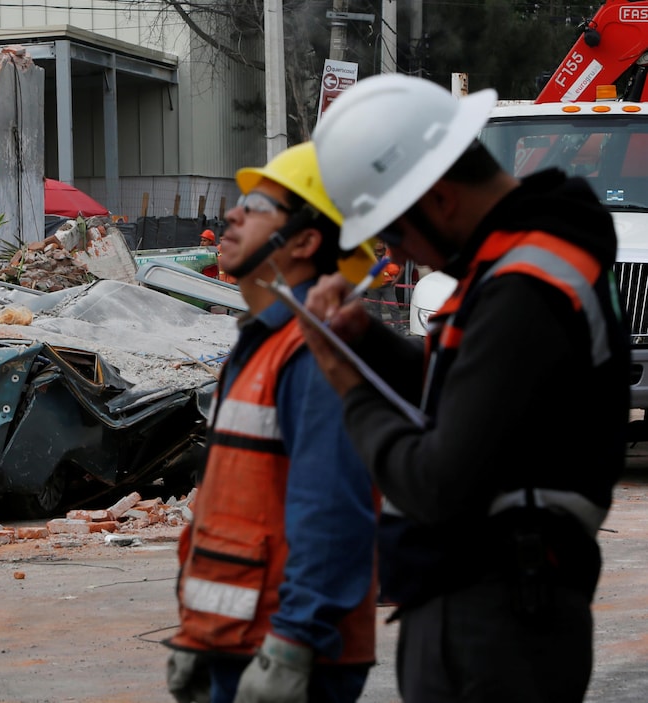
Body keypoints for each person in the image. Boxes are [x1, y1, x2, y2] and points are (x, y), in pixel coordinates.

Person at [302, 74, 628, 702]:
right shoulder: (519, 267)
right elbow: (467, 389)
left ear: (441, 198)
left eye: (395, 232)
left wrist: (349, 384)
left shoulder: (524, 288)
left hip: (499, 614)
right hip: (495, 602)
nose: (400, 254)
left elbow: (436, 484)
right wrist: (362, 337)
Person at [165, 143, 379, 703]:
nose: (233, 214)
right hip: (237, 642)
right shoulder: (260, 342)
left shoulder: (312, 349)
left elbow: (334, 511)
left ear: (306, 241)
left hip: (287, 654)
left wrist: (294, 641)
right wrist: (198, 634)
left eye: (257, 206)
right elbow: (229, 501)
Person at [361, 240, 401, 323]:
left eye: (381, 243)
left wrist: (396, 280)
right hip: (373, 287)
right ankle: (379, 331)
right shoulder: (368, 253)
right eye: (377, 243)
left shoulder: (390, 254)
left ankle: (400, 329)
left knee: (394, 308)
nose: (379, 245)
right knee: (375, 309)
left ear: (384, 244)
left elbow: (402, 266)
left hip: (387, 286)